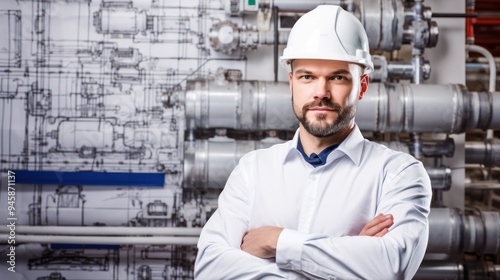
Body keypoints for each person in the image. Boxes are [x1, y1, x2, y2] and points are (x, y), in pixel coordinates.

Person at [194, 5, 432, 280]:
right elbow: (210, 268)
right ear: (292, 82)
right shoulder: (253, 170)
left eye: (338, 77)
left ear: (362, 86)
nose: (321, 92)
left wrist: (278, 241)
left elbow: (390, 267)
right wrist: (347, 261)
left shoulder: (398, 174)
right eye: (308, 77)